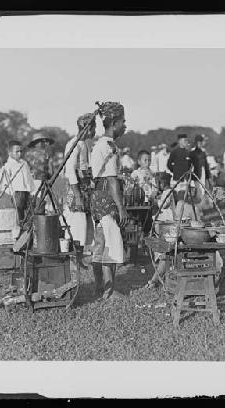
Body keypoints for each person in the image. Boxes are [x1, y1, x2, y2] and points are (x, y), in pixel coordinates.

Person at [90, 101, 128, 301]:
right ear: (114, 123)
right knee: (110, 243)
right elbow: (112, 180)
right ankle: (109, 290)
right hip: (106, 198)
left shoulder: (99, 145)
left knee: (101, 242)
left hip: (97, 197)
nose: (125, 125)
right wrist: (121, 208)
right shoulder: (109, 146)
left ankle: (101, 288)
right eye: (122, 121)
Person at [63, 112, 96, 251]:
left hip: (85, 190)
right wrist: (77, 196)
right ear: (88, 128)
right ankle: (75, 257)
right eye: (94, 128)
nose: (95, 131)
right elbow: (70, 171)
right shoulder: (73, 144)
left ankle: (82, 255)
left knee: (86, 226)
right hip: (76, 191)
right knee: (77, 225)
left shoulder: (85, 145)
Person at [1, 140, 36, 226]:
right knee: (19, 216)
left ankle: (29, 233)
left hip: (27, 192)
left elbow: (29, 179)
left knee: (30, 215)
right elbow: (5, 183)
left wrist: (32, 191)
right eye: (17, 151)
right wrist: (12, 193)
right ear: (10, 153)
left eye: (21, 151)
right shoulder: (8, 165)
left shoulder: (24, 163)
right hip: (17, 194)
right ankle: (20, 232)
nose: (19, 153)